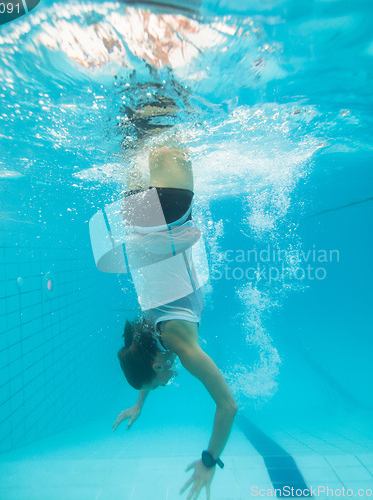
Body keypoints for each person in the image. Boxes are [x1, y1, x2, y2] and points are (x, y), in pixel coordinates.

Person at [103, 89, 238, 500]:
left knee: (168, 110)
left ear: (158, 362)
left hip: (171, 209)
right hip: (134, 214)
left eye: (159, 383)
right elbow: (148, 362)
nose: (166, 383)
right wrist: (141, 403)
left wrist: (209, 462)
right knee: (139, 126)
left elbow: (227, 406)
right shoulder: (149, 334)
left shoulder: (178, 343)